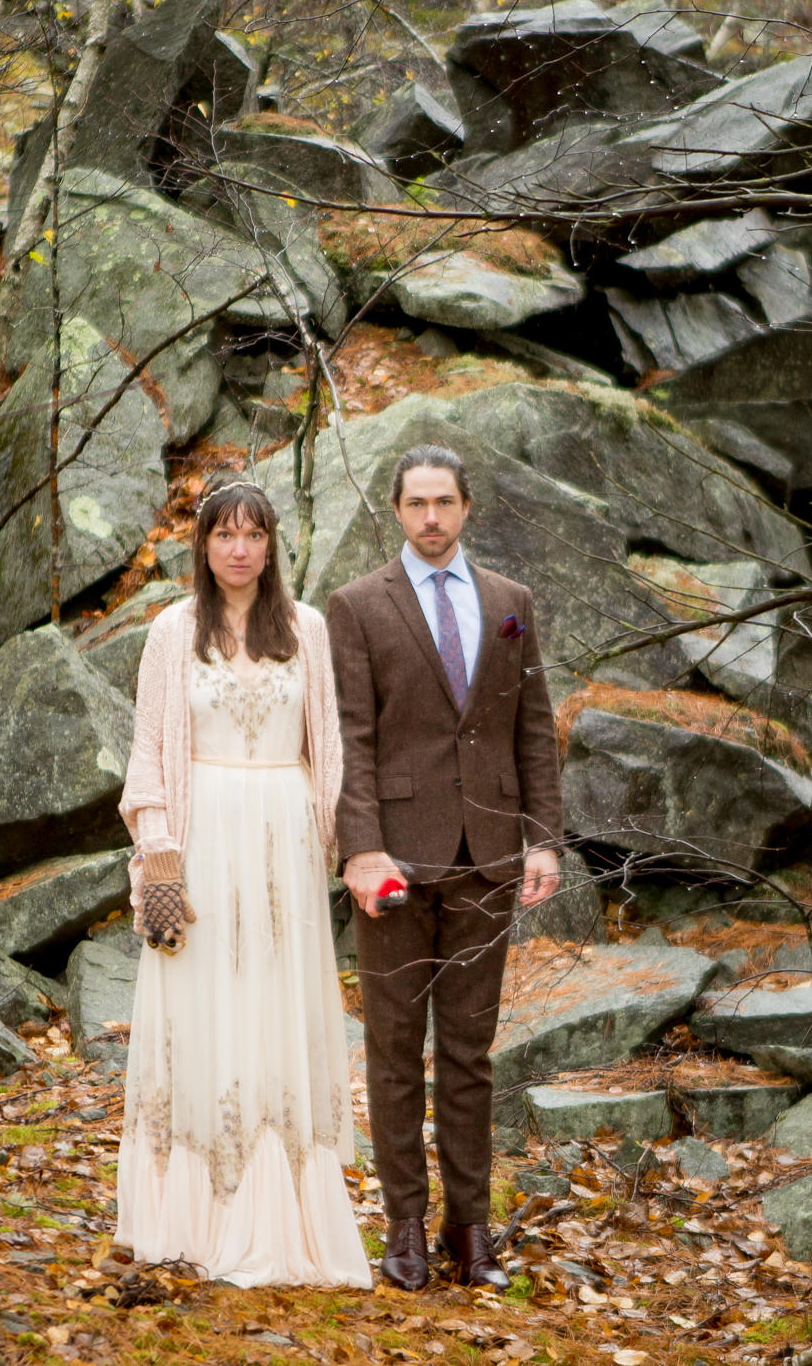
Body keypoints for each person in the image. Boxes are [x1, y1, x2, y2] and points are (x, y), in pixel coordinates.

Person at [113, 480, 372, 1290]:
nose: (239, 548)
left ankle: (284, 1212)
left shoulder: (307, 628)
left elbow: (329, 749)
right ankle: (190, 1212)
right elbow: (148, 751)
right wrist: (158, 853)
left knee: (274, 1007)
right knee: (201, 1007)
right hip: (201, 838)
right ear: (202, 544)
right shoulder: (171, 631)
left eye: (254, 534)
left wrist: (351, 848)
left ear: (271, 545)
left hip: (284, 847)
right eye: (224, 534)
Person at [326, 445, 564, 1292]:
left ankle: (471, 1228)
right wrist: (360, 847)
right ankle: (404, 1227)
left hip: (488, 857)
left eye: (445, 502)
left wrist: (544, 837)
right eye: (417, 503)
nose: (431, 516)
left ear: (467, 508)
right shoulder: (357, 605)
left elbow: (532, 727)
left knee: (469, 1053)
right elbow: (349, 734)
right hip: (391, 862)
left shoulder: (510, 602)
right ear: (396, 510)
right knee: (394, 1049)